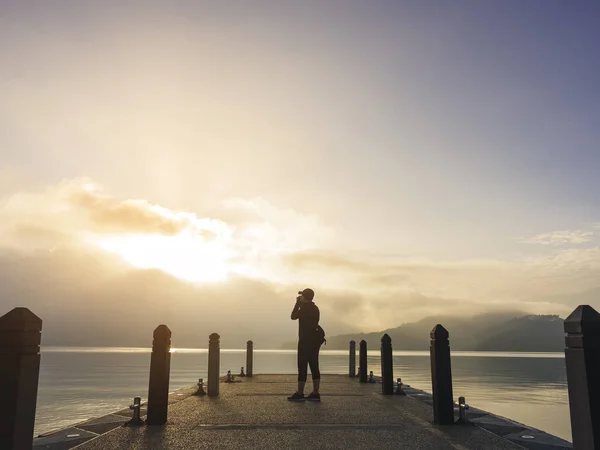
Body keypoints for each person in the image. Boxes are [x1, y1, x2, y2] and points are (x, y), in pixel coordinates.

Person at [288, 288, 322, 401]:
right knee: (314, 366)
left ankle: (300, 393)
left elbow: (293, 316)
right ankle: (316, 393)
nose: (300, 297)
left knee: (302, 366)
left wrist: (297, 304)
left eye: (302, 296)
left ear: (305, 297)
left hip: (304, 341)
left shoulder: (304, 308)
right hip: (315, 342)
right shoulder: (315, 308)